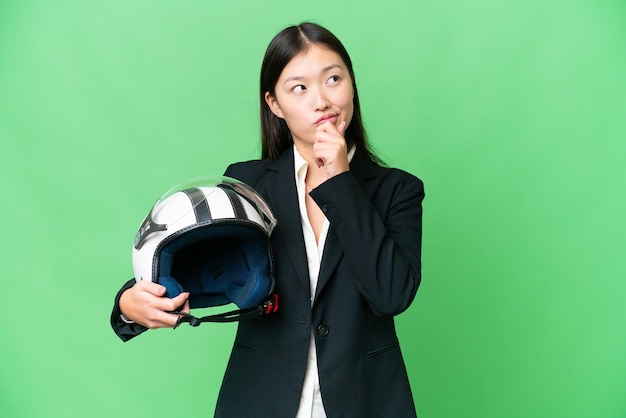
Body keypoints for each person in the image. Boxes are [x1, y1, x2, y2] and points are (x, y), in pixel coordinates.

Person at [111, 22, 425, 417]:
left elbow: (391, 294)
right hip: (261, 401)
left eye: (333, 79)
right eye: (299, 87)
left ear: (351, 85)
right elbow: (194, 264)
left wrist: (342, 181)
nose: (321, 100)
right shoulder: (248, 184)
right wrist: (129, 303)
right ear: (274, 104)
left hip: (366, 402)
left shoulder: (398, 190)